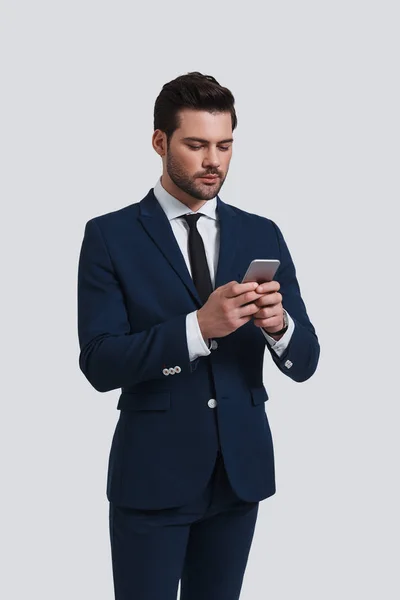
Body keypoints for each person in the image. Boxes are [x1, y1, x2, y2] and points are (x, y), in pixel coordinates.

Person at [77, 71, 320, 600]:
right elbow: (98, 363)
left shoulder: (262, 232)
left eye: (225, 145)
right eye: (196, 145)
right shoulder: (109, 236)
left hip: (240, 474)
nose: (214, 160)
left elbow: (306, 360)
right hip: (152, 474)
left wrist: (279, 327)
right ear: (160, 142)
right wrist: (195, 330)